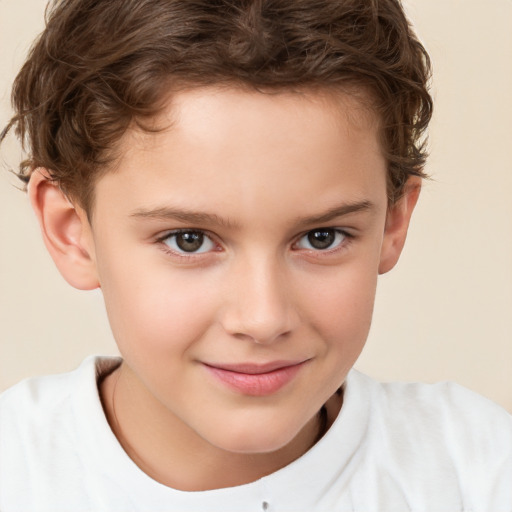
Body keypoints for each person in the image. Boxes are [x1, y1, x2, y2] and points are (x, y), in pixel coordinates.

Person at [0, 0, 510, 510]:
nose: (263, 320)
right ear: (72, 231)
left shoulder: (479, 471)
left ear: (393, 222)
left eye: (322, 237)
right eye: (189, 240)